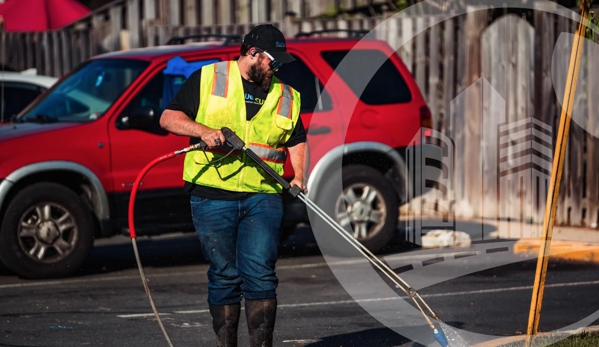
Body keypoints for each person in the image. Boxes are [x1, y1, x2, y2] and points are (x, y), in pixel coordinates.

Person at [159, 24, 307, 347]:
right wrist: (201, 130)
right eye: (272, 60)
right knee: (225, 276)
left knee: (261, 274)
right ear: (252, 53)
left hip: (263, 194)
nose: (276, 67)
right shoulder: (209, 78)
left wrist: (299, 176)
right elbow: (168, 118)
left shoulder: (285, 94)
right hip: (212, 194)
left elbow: (297, 140)